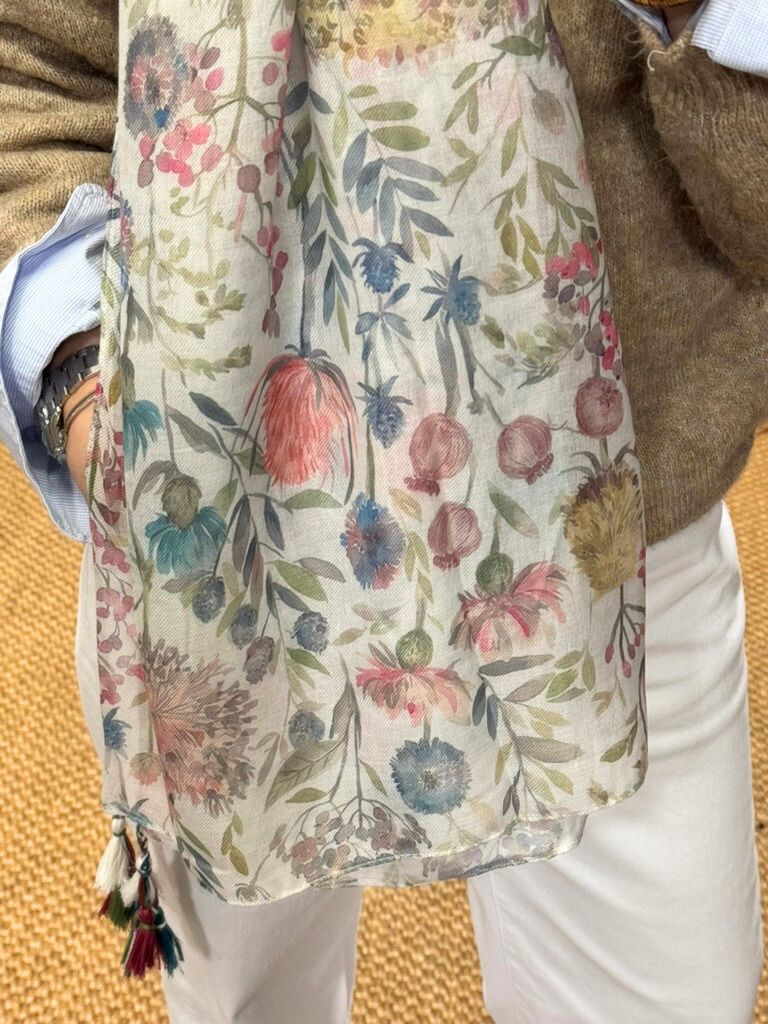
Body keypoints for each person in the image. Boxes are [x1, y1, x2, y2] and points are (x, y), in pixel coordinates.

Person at [0, 2, 764, 1022]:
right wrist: (82, 381)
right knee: (247, 999)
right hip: (217, 537)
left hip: (610, 529)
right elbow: (32, 59)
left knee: (665, 996)